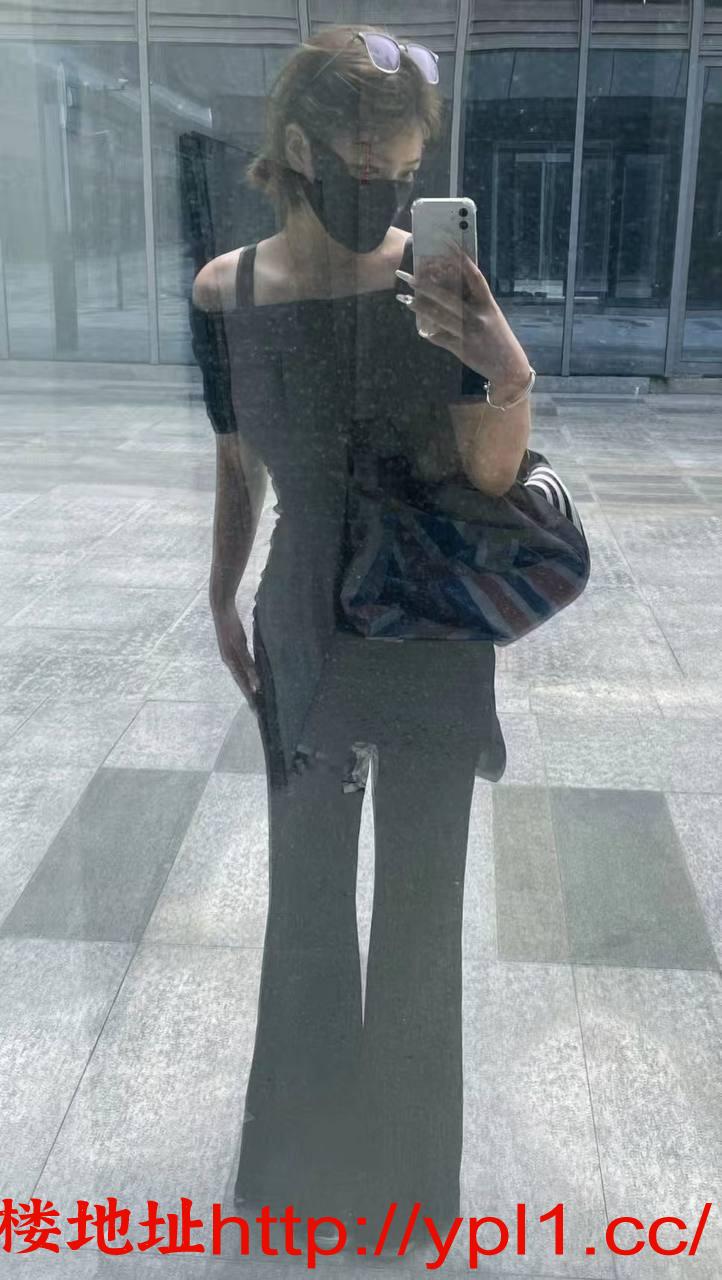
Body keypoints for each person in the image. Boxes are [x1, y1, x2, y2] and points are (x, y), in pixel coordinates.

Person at [190, 24, 534, 1252]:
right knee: (305, 895)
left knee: (421, 906)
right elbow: (236, 464)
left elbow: (490, 481)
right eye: (363, 162)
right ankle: (297, 1171)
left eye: (404, 170)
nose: (382, 189)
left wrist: (505, 377)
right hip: (302, 621)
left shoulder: (434, 282)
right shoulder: (224, 292)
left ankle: (401, 1188)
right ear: (297, 145)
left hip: (430, 622)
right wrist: (220, 589)